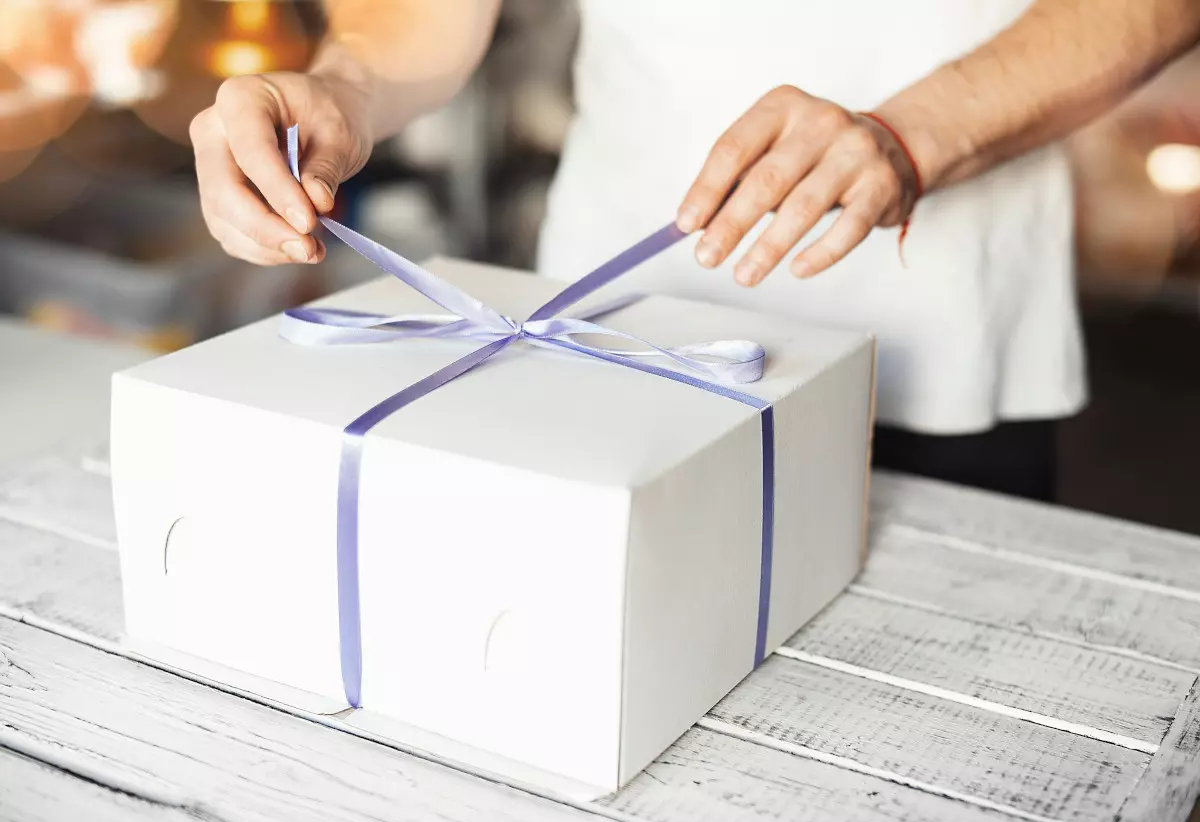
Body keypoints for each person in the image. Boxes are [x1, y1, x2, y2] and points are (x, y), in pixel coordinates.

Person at [188, 0, 1200, 502]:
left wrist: (918, 134)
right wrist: (345, 86)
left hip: (949, 345)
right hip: (612, 344)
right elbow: (419, 22)